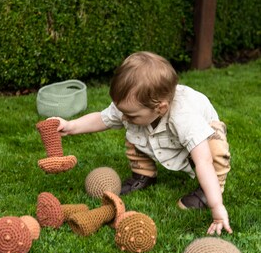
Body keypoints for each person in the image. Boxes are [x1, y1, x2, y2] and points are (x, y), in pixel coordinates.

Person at [50, 51, 232, 235]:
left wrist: (217, 206)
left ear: (160, 108)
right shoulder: (132, 106)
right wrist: (71, 126)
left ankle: (206, 193)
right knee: (135, 133)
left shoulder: (185, 117)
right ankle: (143, 174)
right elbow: (102, 119)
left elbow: (203, 162)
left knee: (214, 151)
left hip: (204, 138)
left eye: (131, 114)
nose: (124, 117)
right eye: (122, 112)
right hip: (161, 134)